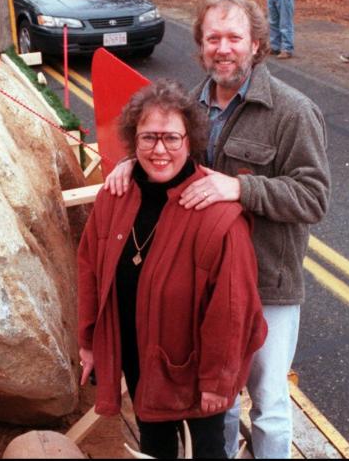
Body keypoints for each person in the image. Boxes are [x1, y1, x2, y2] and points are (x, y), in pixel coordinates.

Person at [104, 0, 331, 458]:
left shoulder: (292, 111)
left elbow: (313, 197)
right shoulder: (191, 105)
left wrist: (241, 189)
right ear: (201, 46)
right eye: (213, 39)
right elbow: (167, 156)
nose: (223, 48)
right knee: (218, 402)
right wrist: (132, 165)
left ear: (256, 45)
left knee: (268, 404)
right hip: (203, 287)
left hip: (269, 287)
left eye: (234, 38)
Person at [78, 80, 268, 459]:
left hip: (196, 374)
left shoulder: (217, 215)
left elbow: (233, 310)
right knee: (155, 446)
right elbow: (90, 273)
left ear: (190, 140)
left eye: (171, 138)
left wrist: (218, 381)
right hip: (139, 356)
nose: (159, 150)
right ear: (134, 140)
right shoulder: (114, 198)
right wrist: (89, 342)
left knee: (207, 451)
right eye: (148, 138)